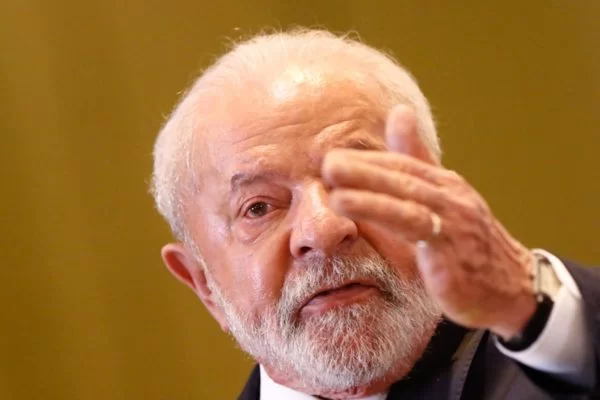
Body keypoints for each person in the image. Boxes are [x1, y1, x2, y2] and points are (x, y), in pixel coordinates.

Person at [150, 29, 599, 399]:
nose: (324, 229)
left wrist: (529, 303)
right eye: (259, 207)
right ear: (204, 284)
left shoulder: (555, 366)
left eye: (358, 179)